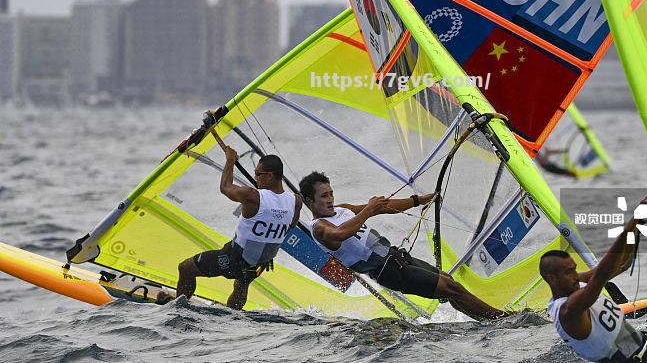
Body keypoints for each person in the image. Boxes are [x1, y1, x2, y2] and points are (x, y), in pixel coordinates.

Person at [299, 170, 509, 321]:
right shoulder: (319, 227)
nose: (330, 200)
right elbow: (341, 233)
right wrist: (368, 210)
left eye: (331, 194)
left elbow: (384, 207)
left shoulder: (343, 209)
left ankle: (485, 321)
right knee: (450, 288)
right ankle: (502, 319)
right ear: (310, 201)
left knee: (448, 281)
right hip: (387, 272)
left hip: (397, 258)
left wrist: (418, 200)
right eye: (324, 196)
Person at [539, 196, 647, 363]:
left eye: (575, 269)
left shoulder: (576, 283)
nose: (576, 275)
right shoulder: (568, 311)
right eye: (569, 271)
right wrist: (631, 223)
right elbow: (602, 274)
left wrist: (635, 229)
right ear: (552, 279)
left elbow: (623, 263)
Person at [176, 133, 301, 309]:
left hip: (234, 258)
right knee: (241, 284)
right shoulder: (295, 200)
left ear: (270, 176)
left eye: (258, 174)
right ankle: (233, 318)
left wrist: (230, 160)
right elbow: (290, 226)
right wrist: (269, 244)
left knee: (186, 268)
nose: (256, 178)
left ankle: (179, 311)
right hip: (260, 263)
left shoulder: (253, 196)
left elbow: (225, 187)